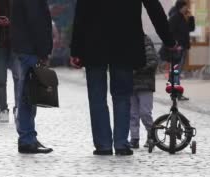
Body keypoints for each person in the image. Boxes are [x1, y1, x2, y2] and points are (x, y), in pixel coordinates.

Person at [70, 0, 175, 156]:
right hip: (124, 43)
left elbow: (81, 13)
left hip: (94, 43)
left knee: (97, 97)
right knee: (122, 97)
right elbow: (154, 8)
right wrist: (168, 40)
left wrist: (76, 49)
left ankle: (103, 145)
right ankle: (121, 144)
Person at [10, 0, 53, 154]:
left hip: (25, 47)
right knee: (28, 95)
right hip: (30, 49)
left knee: (29, 94)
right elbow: (36, 22)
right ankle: (27, 139)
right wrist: (43, 51)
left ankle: (29, 137)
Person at [130, 34, 158, 149]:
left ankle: (151, 135)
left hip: (145, 84)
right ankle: (134, 138)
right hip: (131, 84)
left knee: (145, 112)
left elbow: (152, 62)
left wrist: (136, 69)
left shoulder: (145, 41)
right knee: (132, 114)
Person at [168, 0, 194, 101]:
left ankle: (175, 91)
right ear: (181, 7)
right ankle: (177, 93)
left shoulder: (182, 17)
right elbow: (171, 32)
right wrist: (176, 45)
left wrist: (191, 17)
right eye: (185, 7)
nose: (187, 8)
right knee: (176, 72)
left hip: (182, 47)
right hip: (178, 48)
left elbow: (190, 29)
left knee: (176, 72)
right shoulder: (175, 18)